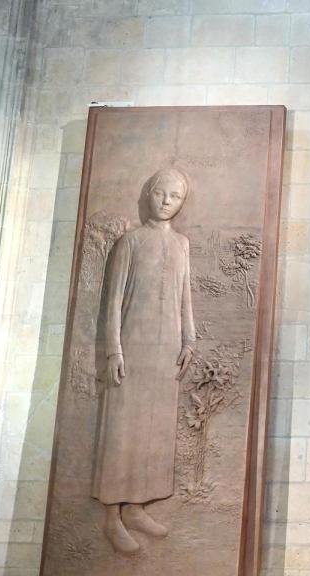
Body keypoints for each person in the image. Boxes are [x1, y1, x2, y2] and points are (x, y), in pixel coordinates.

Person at [93, 167, 195, 553]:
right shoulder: (130, 242)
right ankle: (111, 516)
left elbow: (185, 296)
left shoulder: (182, 244)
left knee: (152, 428)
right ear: (148, 194)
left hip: (165, 350)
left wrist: (189, 339)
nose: (166, 201)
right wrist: (114, 350)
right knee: (123, 427)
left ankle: (136, 506)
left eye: (175, 196)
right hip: (132, 349)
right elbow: (113, 302)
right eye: (160, 193)